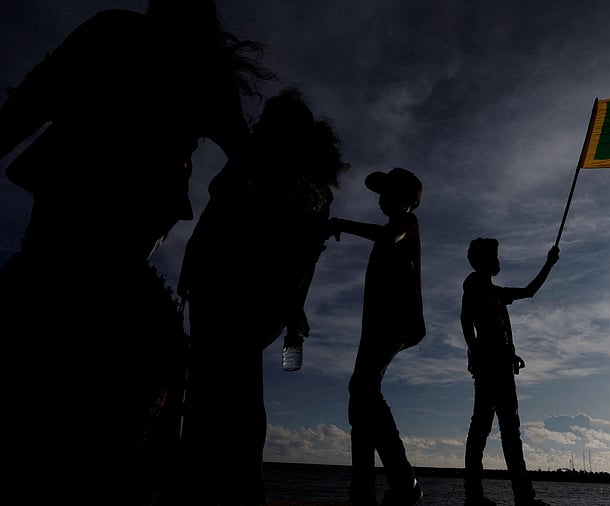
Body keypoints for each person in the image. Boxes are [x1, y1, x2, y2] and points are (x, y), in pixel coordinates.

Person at [0, 1, 270, 504]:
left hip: (85, 236)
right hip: (93, 239)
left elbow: (28, 103)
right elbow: (32, 101)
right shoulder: (176, 57)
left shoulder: (127, 36)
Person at [174, 88, 349, 506]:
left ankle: (216, 487)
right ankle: (239, 485)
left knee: (212, 396)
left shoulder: (264, 164)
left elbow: (224, 214)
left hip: (228, 291)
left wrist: (193, 270)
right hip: (264, 304)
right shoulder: (315, 187)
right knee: (239, 392)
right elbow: (303, 251)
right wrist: (293, 307)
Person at [328, 167, 426, 506]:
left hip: (395, 324)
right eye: (381, 192)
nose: (382, 198)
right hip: (377, 326)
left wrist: (342, 223)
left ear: (407, 198)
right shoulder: (393, 229)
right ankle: (365, 490)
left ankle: (403, 480)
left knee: (363, 389)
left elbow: (389, 237)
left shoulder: (405, 225)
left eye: (388, 190)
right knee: (360, 400)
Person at [461, 238, 559, 506]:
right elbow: (466, 320)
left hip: (501, 365)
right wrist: (474, 351)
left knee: (507, 430)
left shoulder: (494, 293)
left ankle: (521, 496)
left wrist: (548, 264)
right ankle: (477, 495)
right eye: (494, 255)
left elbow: (529, 292)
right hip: (489, 366)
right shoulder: (475, 285)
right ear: (482, 260)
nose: (498, 260)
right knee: (484, 429)